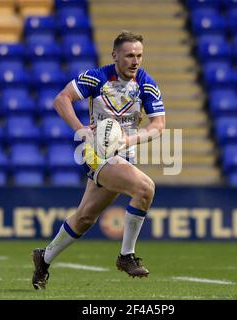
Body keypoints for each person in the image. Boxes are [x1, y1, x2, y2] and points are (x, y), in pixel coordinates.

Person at [31, 31, 166, 290]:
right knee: (145, 188)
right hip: (96, 153)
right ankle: (126, 256)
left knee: (85, 218)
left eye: (139, 55)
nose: (135, 60)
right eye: (129, 55)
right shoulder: (97, 77)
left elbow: (158, 124)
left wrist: (131, 139)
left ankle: (43, 258)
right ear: (115, 55)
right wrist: (80, 129)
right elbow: (62, 100)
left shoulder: (146, 84)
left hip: (124, 154)